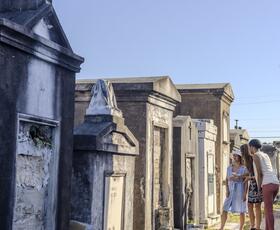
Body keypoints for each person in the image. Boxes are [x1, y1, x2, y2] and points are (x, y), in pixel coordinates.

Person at [249, 139, 280, 230]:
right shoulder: (265, 155)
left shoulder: (255, 156)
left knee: (269, 211)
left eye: (249, 147)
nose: (249, 149)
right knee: (267, 210)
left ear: (252, 147)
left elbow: (259, 173)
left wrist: (259, 188)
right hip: (275, 183)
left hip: (267, 184)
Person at [220, 149, 248, 230]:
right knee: (224, 208)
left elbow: (246, 182)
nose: (235, 157)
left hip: (240, 189)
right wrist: (227, 190)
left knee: (242, 210)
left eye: (236, 156)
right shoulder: (229, 168)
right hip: (231, 189)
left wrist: (244, 194)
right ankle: (221, 227)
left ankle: (241, 228)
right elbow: (226, 179)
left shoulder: (244, 168)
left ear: (240, 157)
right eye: (234, 155)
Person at [241, 144, 262, 230]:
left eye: (242, 152)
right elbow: (249, 173)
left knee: (257, 205)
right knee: (250, 205)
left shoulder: (253, 158)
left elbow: (258, 174)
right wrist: (240, 176)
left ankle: (257, 226)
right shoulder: (246, 160)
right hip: (252, 185)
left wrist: (248, 178)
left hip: (257, 183)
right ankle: (252, 225)